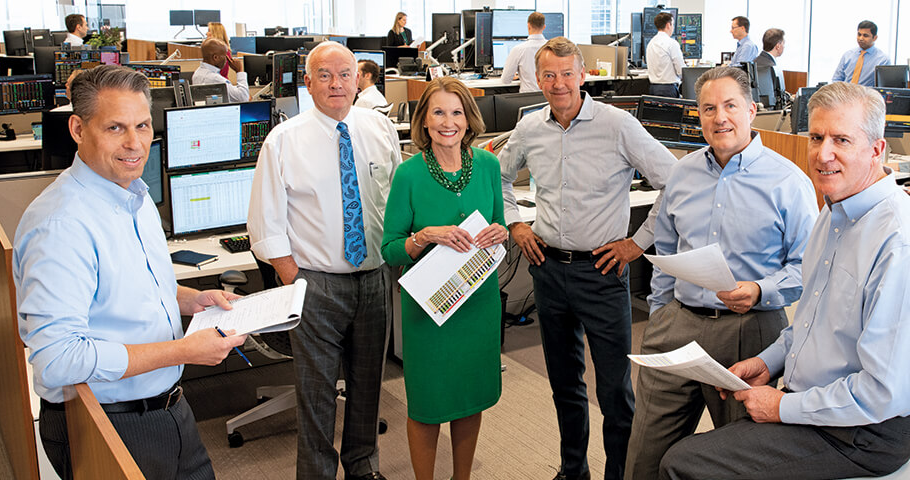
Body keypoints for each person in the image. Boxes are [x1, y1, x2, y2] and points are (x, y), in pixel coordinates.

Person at [659, 81, 910, 480]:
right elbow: (812, 324)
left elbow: (884, 392)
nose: (823, 154)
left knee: (683, 464)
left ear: (877, 150)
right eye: (816, 137)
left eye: (841, 140)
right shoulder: (834, 213)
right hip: (818, 403)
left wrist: (782, 408)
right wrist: (767, 361)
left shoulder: (901, 245)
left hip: (862, 432)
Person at [14, 64, 247, 480]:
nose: (135, 143)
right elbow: (57, 360)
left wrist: (192, 299)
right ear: (78, 129)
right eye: (115, 128)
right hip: (107, 421)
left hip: (169, 406)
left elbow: (127, 286)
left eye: (141, 125)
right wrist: (183, 351)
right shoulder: (61, 225)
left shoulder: (133, 196)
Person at [624, 66, 818, 480]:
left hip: (749, 333)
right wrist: (660, 315)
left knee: (736, 462)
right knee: (643, 458)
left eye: (730, 105)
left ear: (751, 110)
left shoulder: (788, 181)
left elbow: (811, 270)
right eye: (709, 108)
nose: (720, 117)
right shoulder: (682, 173)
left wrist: (761, 289)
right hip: (677, 325)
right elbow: (667, 250)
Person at [499, 36, 677, 480]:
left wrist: (638, 243)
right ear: (537, 78)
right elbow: (497, 177)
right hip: (547, 270)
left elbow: (674, 181)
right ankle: (573, 469)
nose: (558, 83)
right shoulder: (530, 128)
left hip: (602, 272)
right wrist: (516, 224)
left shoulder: (617, 125)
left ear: (583, 75)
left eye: (566, 74)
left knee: (614, 391)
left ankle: (620, 474)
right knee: (565, 385)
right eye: (549, 75)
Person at [247, 41, 400, 480]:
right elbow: (265, 225)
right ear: (308, 82)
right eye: (325, 75)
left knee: (368, 387)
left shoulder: (379, 128)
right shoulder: (283, 140)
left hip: (374, 278)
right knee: (316, 396)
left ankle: (363, 467)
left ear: (358, 80)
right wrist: (297, 280)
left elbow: (395, 199)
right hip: (315, 283)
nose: (336, 84)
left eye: (345, 74)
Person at [381, 76, 506, 480]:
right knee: (427, 404)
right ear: (424, 120)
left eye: (456, 112)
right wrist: (424, 236)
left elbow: (499, 222)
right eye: (438, 112)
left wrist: (500, 232)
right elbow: (390, 249)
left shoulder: (488, 165)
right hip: (430, 311)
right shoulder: (408, 174)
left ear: (469, 120)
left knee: (470, 399)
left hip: (478, 302)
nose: (448, 122)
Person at [831, 20, 890, 87]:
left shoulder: (883, 60)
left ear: (874, 38)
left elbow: (882, 87)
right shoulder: (847, 55)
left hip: (867, 93)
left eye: (865, 35)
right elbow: (836, 79)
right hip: (845, 92)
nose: (861, 38)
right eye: (859, 34)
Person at [501, 12, 547, 93]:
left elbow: (505, 80)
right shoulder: (551, 47)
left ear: (528, 26)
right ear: (544, 27)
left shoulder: (518, 49)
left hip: (527, 97)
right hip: (548, 97)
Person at [192, 37, 249, 103]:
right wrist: (239, 71)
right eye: (225, 56)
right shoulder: (215, 79)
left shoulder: (197, 73)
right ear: (215, 57)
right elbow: (243, 98)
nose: (227, 60)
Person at [645, 11, 685, 98]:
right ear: (668, 25)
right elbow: (681, 70)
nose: (673, 28)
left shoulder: (651, 43)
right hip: (668, 89)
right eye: (672, 24)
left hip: (653, 88)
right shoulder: (671, 43)